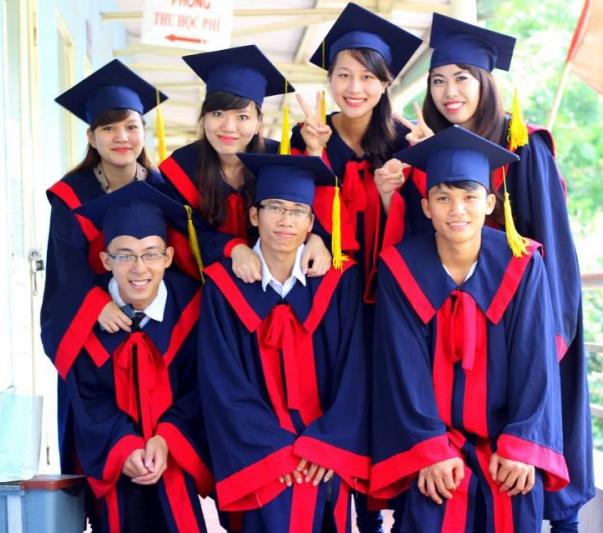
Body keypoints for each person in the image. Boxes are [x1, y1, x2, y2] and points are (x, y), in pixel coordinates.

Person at [394, 13, 594, 530]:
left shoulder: (524, 146)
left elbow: (556, 248)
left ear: (486, 82)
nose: (449, 92)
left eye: (462, 77)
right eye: (438, 80)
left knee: (539, 452)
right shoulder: (429, 153)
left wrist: (548, 338)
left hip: (526, 317)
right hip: (455, 324)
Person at [369, 126, 569, 532]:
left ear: (490, 202)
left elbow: (536, 360)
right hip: (434, 448)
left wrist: (522, 444)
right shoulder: (400, 268)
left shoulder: (522, 263)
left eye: (469, 197)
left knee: (515, 498)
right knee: (430, 503)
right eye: (443, 198)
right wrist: (428, 448)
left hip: (506, 447)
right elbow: (401, 366)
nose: (456, 210)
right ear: (426, 207)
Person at [291, 6, 422, 529]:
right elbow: (296, 211)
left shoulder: (407, 142)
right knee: (335, 398)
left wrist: (392, 197)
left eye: (368, 77)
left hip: (392, 295)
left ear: (386, 83)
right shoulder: (308, 137)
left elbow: (421, 228)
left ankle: (381, 515)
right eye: (343, 75)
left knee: (387, 398)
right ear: (329, 79)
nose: (354, 88)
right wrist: (314, 156)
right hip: (331, 299)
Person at [197, 154, 369, 532]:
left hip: (326, 456)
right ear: (254, 216)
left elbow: (356, 372)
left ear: (311, 223)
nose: (286, 220)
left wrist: (325, 445)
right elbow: (221, 381)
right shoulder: (223, 287)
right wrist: (272, 452)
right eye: (274, 207)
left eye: (297, 211)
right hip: (260, 458)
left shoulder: (340, 282)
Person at [41, 59, 175, 481]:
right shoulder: (71, 195)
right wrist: (96, 304)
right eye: (109, 128)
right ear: (91, 137)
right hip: (99, 332)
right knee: (102, 430)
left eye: (131, 126)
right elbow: (65, 270)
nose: (122, 137)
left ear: (143, 132)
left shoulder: (163, 188)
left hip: (157, 330)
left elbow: (180, 262)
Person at [67, 181, 212, 532]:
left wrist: (167, 439)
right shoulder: (85, 316)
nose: (139, 268)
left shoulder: (193, 307)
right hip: (117, 460)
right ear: (105, 260)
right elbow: (87, 397)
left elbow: (201, 388)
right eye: (124, 255)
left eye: (150, 254)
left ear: (168, 258)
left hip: (174, 457)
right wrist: (124, 446)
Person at [159, 44, 331, 283]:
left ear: (259, 123)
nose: (229, 127)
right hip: (209, 282)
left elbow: (307, 206)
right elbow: (184, 231)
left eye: (242, 117)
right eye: (217, 114)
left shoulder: (281, 157)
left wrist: (318, 238)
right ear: (203, 117)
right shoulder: (181, 168)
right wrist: (233, 247)